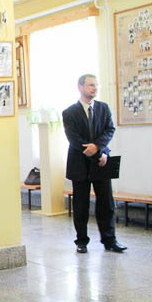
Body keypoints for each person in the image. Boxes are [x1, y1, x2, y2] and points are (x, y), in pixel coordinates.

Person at [62, 74, 126, 253]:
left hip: (102, 162)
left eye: (96, 85)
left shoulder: (103, 108)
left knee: (106, 203)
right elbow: (74, 139)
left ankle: (109, 240)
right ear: (80, 87)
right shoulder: (69, 112)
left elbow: (109, 130)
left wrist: (98, 149)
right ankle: (81, 241)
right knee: (81, 205)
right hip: (80, 163)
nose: (94, 88)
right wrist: (97, 153)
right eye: (91, 85)